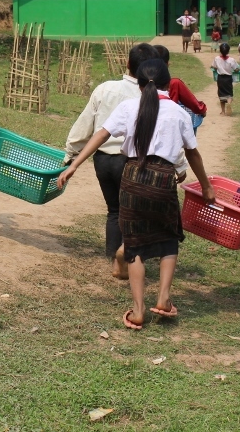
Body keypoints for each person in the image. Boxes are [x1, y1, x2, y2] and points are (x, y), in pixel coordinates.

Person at [57, 59, 216, 329]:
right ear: (169, 83)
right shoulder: (179, 113)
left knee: (134, 244)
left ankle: (139, 310)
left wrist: (74, 164)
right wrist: (207, 186)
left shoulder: (129, 106)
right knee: (167, 239)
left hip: (131, 177)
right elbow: (192, 153)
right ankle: (164, 299)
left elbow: (101, 135)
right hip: (163, 178)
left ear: (138, 83)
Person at [64, 43, 160, 280]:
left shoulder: (104, 89)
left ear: (127, 64)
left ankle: (112, 257)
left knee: (114, 210)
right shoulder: (149, 96)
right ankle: (126, 258)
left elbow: (85, 124)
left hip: (102, 160)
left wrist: (71, 153)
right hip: (130, 161)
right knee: (133, 211)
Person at [154, 45, 208, 135]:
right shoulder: (174, 83)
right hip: (169, 128)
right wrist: (202, 110)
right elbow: (193, 103)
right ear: (167, 64)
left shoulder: (142, 83)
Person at [212, 42, 239, 116]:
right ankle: (229, 104)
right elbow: (236, 69)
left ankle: (223, 111)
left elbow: (213, 66)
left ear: (220, 51)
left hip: (220, 78)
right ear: (228, 51)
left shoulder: (216, 59)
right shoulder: (231, 60)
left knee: (221, 94)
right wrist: (238, 69)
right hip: (228, 78)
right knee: (229, 93)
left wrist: (217, 67)